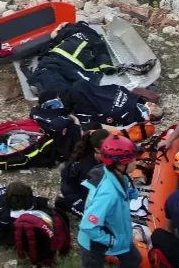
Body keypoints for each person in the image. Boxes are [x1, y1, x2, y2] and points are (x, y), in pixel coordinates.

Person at [77, 135, 143, 268]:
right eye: (132, 160)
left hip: (118, 232)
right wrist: (111, 242)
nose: (136, 162)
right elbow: (88, 226)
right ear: (120, 163)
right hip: (94, 243)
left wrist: (129, 193)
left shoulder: (117, 174)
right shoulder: (108, 193)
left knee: (133, 260)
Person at [58, 130, 109, 217]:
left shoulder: (96, 158)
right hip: (76, 196)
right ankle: (64, 203)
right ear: (97, 149)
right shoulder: (86, 169)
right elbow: (91, 192)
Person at [29, 89, 83, 161]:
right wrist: (75, 120)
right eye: (57, 98)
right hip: (63, 149)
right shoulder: (62, 118)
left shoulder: (36, 113)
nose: (60, 100)